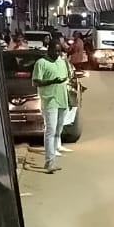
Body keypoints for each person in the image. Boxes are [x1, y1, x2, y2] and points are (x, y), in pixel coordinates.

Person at [31, 38, 73, 173]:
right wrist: (51, 82)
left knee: (58, 130)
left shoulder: (61, 61)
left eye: (59, 51)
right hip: (50, 101)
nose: (57, 53)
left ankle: (55, 152)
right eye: (55, 51)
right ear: (48, 49)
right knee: (50, 130)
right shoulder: (41, 63)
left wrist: (69, 100)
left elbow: (66, 82)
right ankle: (49, 162)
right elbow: (36, 82)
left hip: (62, 100)